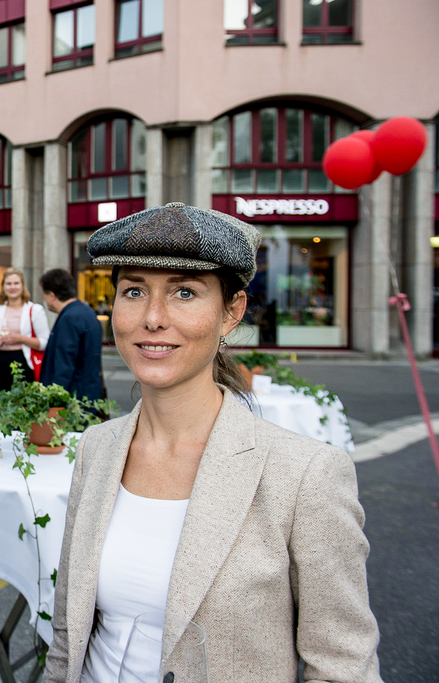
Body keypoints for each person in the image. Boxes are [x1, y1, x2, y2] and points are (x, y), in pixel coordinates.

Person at [44, 204, 381, 683]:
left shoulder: (304, 474)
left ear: (232, 313)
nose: (153, 318)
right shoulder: (98, 449)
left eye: (185, 292)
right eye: (134, 291)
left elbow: (344, 667)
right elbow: (68, 636)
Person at [0, 268, 49, 407]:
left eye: (16, 283)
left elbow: (45, 343)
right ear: (3, 286)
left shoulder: (35, 310)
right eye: (8, 283)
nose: (12, 287)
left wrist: (21, 338)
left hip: (23, 364)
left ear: (23, 286)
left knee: (22, 411)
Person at [38, 268, 105, 405]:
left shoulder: (69, 318)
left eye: (44, 294)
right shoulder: (87, 312)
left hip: (73, 401)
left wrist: (53, 400)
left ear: (51, 295)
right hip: (89, 395)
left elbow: (63, 366)